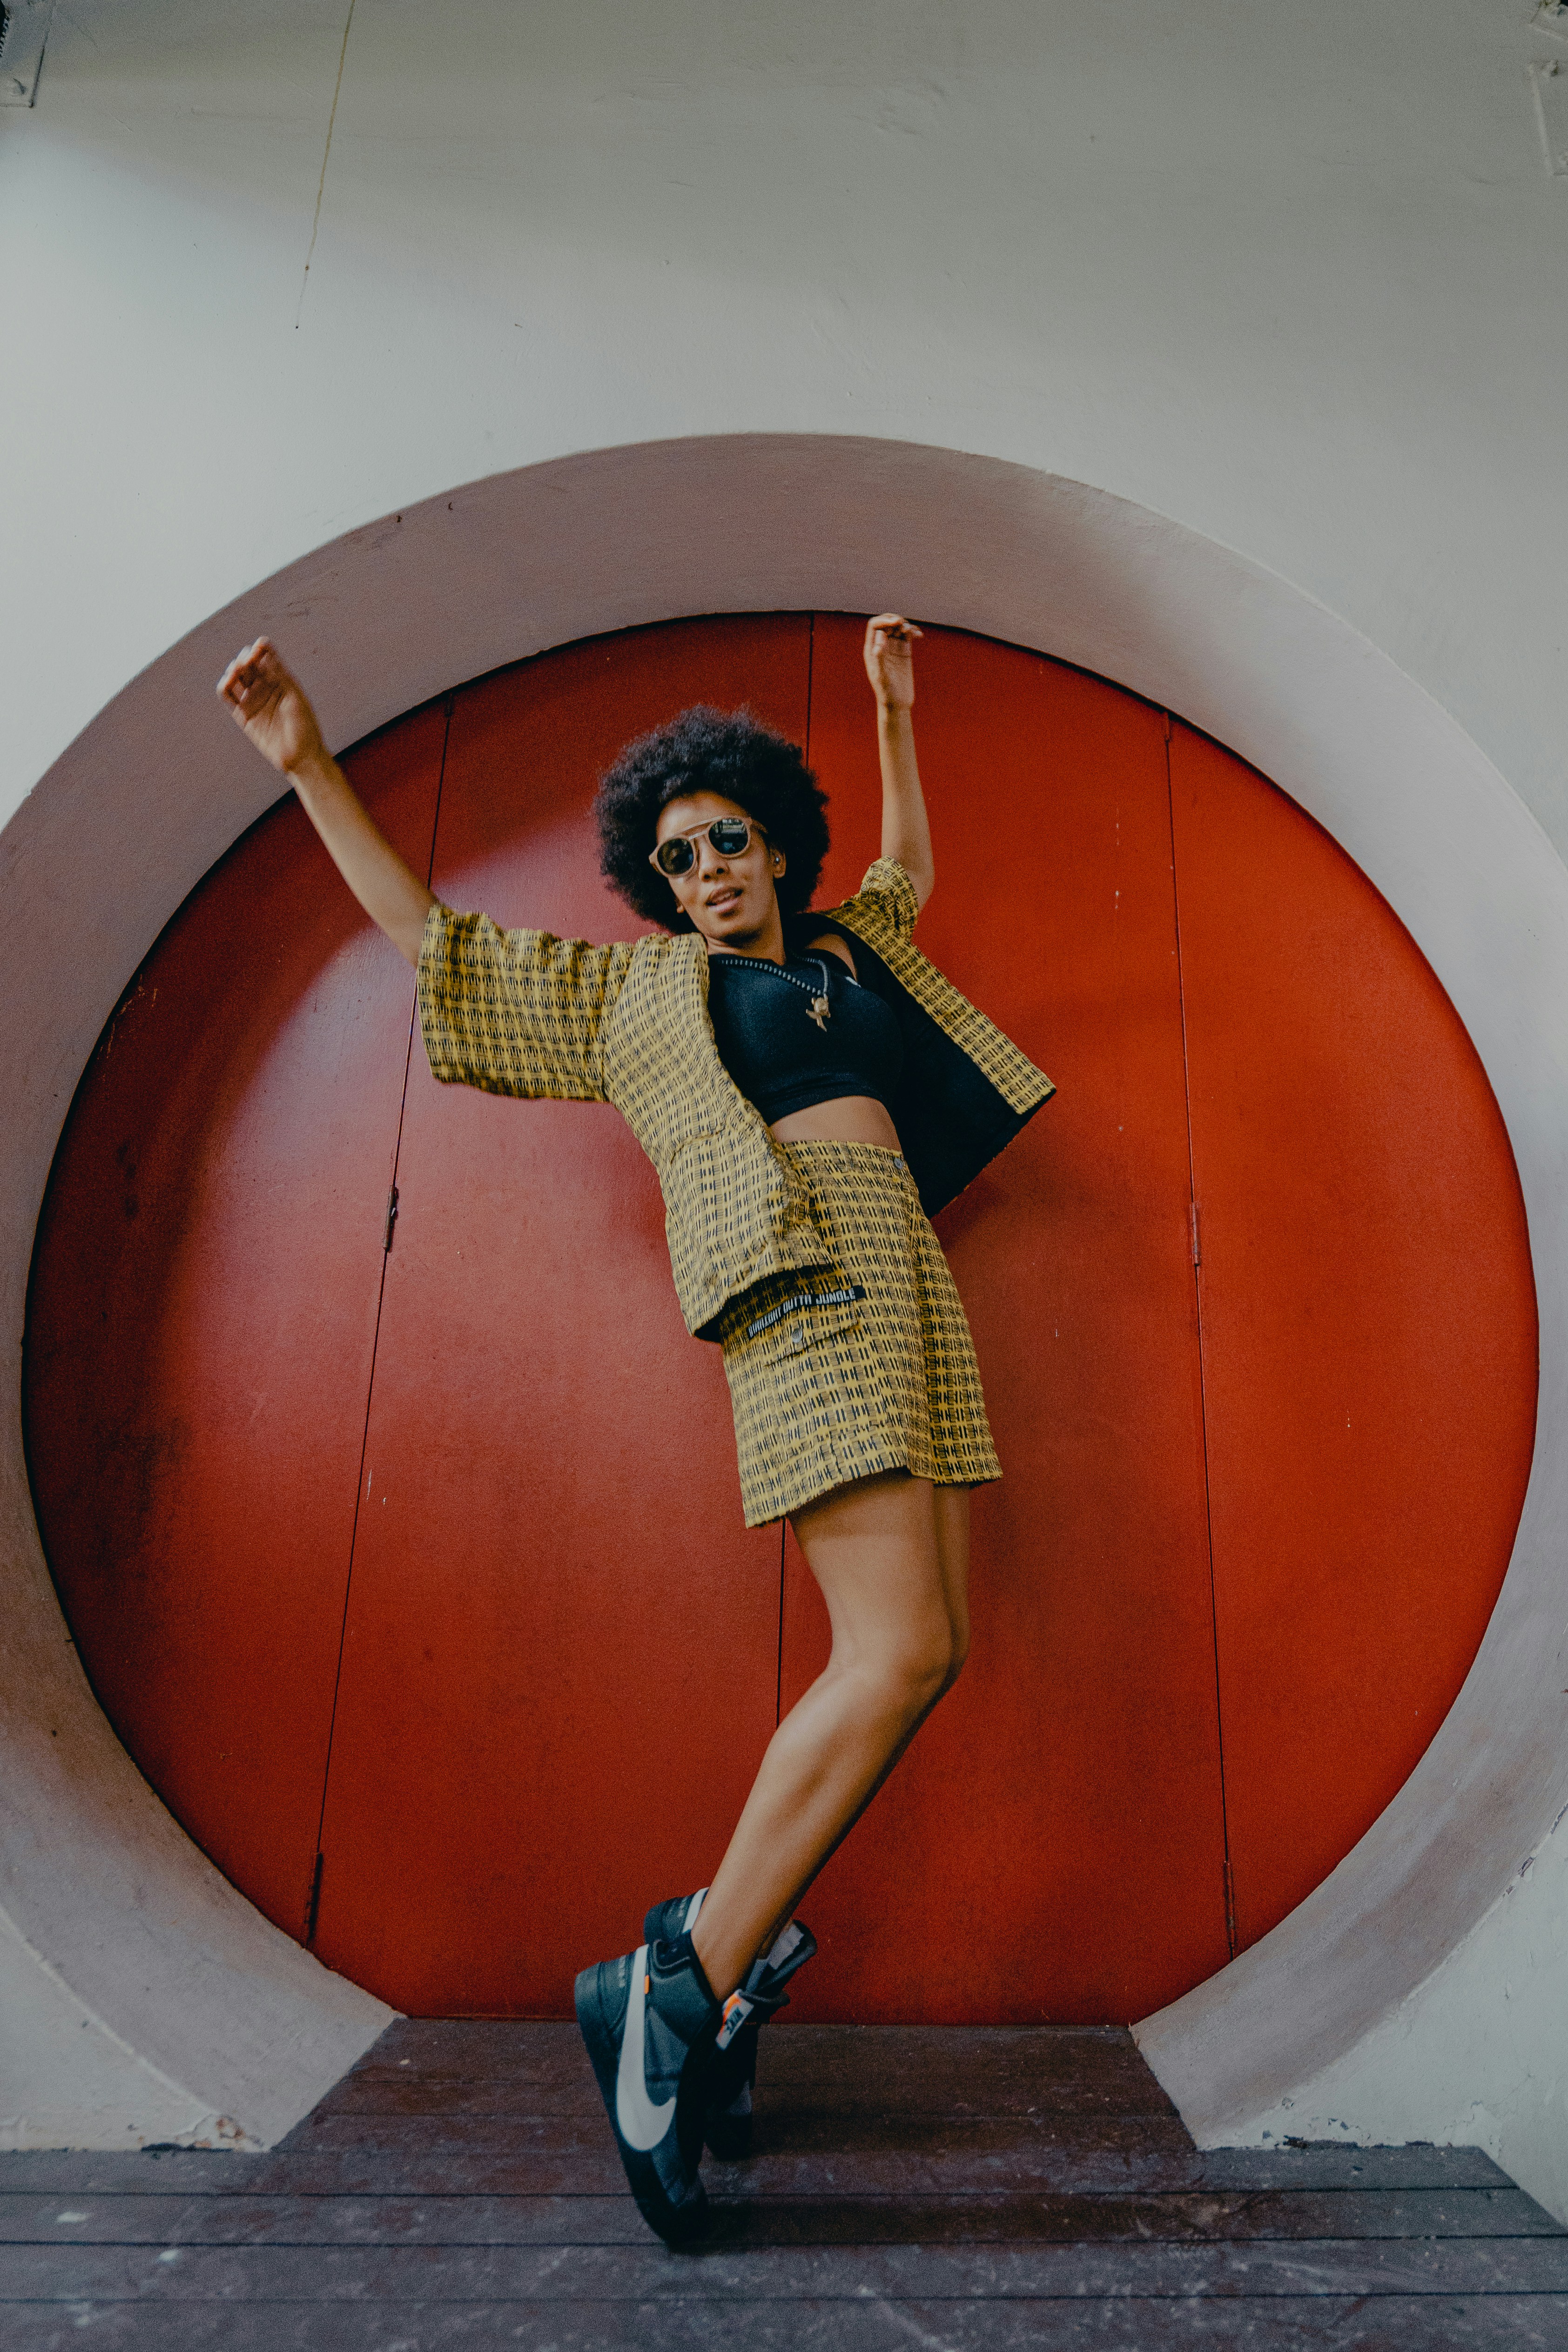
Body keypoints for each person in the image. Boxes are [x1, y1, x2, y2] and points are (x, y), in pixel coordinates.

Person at [217, 613, 1054, 2243]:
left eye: (728, 839)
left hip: (907, 1278)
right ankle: (680, 1983)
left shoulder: (852, 952)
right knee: (888, 1655)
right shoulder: (635, 1001)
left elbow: (906, 870)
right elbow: (442, 948)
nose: (707, 868)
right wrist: (310, 767)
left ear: (775, 845)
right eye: (675, 857)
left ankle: (695, 1962)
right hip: (803, 1275)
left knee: (926, 1650)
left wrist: (892, 715)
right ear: (657, 885)